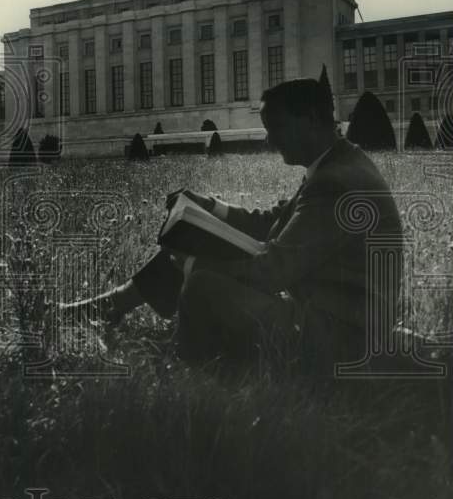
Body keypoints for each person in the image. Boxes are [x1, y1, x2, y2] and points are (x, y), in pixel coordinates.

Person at [64, 78, 403, 374]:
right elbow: (273, 222)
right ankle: (108, 308)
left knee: (203, 284)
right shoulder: (337, 164)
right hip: (335, 321)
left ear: (311, 119)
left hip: (342, 341)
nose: (270, 140)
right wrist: (209, 207)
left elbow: (272, 272)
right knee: (195, 250)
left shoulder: (335, 182)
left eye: (277, 127)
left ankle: (191, 368)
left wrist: (196, 264)